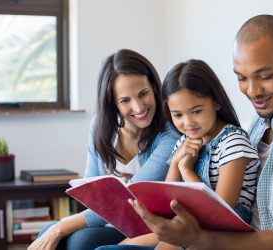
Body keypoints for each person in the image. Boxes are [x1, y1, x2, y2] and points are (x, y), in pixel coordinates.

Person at [128, 14, 273, 249]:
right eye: (241, 78)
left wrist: (198, 238)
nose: (252, 91)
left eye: (265, 76)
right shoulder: (260, 122)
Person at [97, 60, 260, 250]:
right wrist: (175, 162)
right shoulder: (184, 141)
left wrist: (185, 169)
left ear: (215, 101)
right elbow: (166, 201)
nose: (188, 123)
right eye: (178, 115)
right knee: (117, 247)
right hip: (187, 224)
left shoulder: (233, 142)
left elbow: (220, 213)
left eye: (196, 111)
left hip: (221, 235)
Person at [28, 49, 180, 250]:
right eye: (125, 100)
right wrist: (58, 228)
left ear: (153, 87)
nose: (138, 107)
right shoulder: (100, 126)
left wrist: (62, 227)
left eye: (143, 94)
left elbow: (127, 201)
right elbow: (91, 192)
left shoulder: (169, 135)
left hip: (145, 228)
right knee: (48, 230)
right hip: (107, 222)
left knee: (76, 240)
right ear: (113, 103)